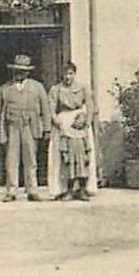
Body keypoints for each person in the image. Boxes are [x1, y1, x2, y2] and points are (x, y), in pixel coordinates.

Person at [0, 53, 52, 202]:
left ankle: (32, 190)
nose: (20, 73)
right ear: (13, 71)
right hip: (12, 127)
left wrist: (47, 128)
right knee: (11, 160)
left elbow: (45, 109)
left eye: (23, 70)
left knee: (31, 159)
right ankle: (12, 191)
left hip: (30, 127)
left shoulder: (37, 88)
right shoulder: (4, 89)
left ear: (28, 72)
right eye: (17, 70)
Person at [49, 62, 95, 201]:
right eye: (65, 74)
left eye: (70, 73)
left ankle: (82, 189)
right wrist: (56, 120)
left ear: (74, 74)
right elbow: (50, 108)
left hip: (79, 122)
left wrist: (86, 120)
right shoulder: (56, 90)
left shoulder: (83, 88)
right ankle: (65, 189)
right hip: (63, 123)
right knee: (65, 159)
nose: (67, 77)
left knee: (82, 157)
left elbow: (90, 106)